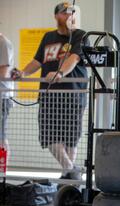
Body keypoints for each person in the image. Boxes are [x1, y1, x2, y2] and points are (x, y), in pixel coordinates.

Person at [12, 2, 87, 180]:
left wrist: (60, 72)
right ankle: (70, 169)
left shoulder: (80, 35)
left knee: (71, 136)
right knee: (49, 133)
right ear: (56, 16)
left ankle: (68, 176)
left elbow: (74, 59)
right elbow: (37, 62)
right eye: (64, 13)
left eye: (72, 13)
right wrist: (23, 72)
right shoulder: (48, 37)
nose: (69, 16)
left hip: (73, 94)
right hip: (49, 94)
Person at [0, 33, 14, 156]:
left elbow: (3, 73)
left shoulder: (2, 43)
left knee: (1, 136)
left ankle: (2, 171)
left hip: (2, 97)